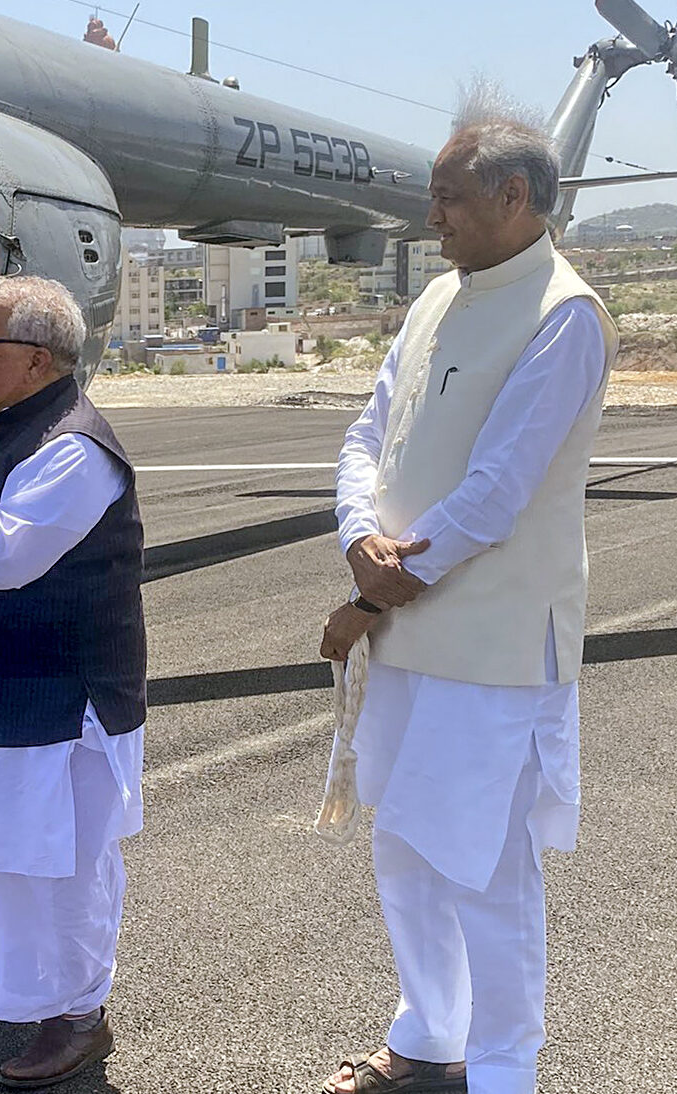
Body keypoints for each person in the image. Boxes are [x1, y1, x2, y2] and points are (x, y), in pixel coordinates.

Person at [317, 97, 618, 1094]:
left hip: (489, 647)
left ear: (511, 195)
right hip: (406, 631)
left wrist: (384, 577)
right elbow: (369, 434)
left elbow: (497, 488)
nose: (431, 218)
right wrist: (358, 536)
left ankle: (499, 1070)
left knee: (484, 866)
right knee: (402, 848)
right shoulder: (433, 300)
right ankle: (427, 1034)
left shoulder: (563, 315)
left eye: (446, 200)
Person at [0, 275, 146, 1089]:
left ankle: (76, 1015)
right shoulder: (9, 429)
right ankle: (0, 983)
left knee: (57, 867)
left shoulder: (73, 448)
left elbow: (4, 555)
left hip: (55, 704)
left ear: (37, 360)